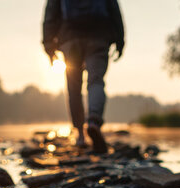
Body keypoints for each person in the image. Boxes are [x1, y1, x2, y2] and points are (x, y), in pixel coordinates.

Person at [43, 0, 125, 153]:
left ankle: (80, 135)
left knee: (74, 88)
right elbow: (114, 9)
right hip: (99, 36)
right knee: (96, 82)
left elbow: (51, 14)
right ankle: (93, 121)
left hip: (69, 38)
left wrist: (48, 44)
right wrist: (120, 40)